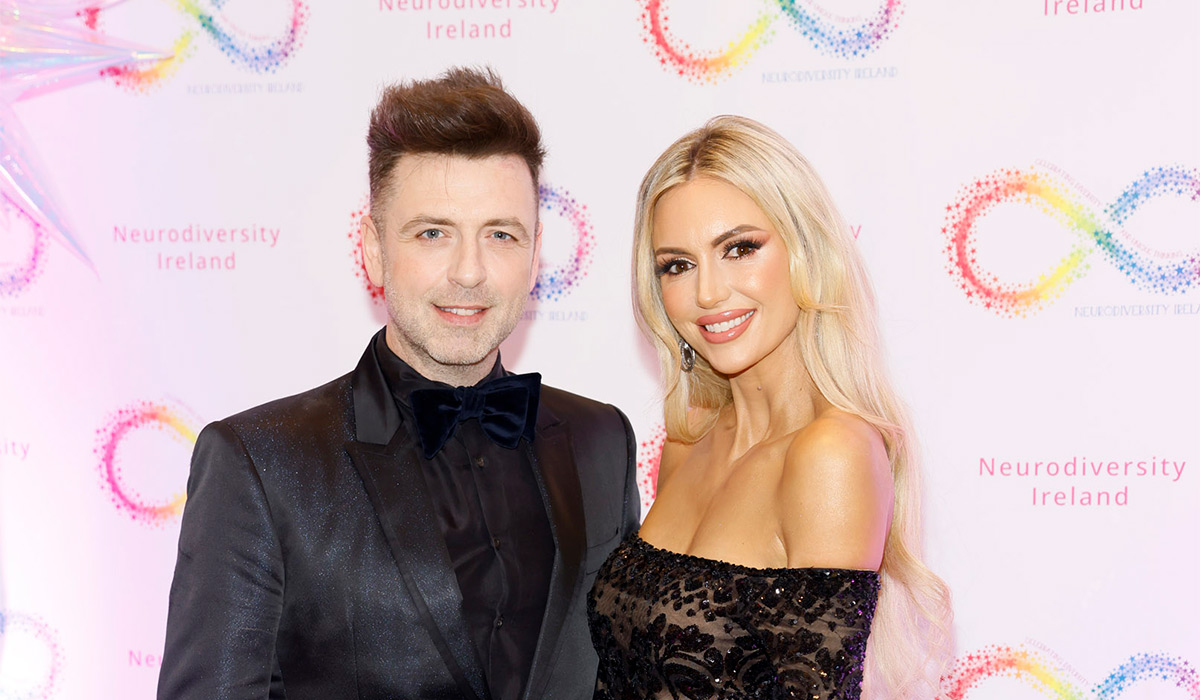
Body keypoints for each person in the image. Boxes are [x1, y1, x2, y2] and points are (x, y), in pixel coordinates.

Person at [158, 67, 640, 700]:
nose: (469, 273)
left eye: (500, 234)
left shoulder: (601, 438)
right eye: (433, 233)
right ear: (374, 249)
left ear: (534, 255)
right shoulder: (257, 463)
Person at [587, 116, 952, 700]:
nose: (708, 293)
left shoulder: (832, 455)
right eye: (677, 264)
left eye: (739, 249)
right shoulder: (687, 442)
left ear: (805, 252)